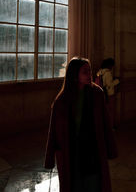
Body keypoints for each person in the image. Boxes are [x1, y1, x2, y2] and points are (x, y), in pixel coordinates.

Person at [44, 57, 117, 192]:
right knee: (75, 185)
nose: (90, 75)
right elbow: (53, 132)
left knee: (94, 184)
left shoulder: (97, 93)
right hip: (71, 152)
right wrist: (49, 158)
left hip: (92, 150)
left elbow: (106, 124)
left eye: (90, 71)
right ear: (74, 74)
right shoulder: (62, 100)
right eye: (85, 72)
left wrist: (111, 148)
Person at [96, 58, 120, 129]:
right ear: (109, 65)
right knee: (110, 111)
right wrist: (117, 81)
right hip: (109, 94)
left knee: (103, 111)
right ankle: (110, 126)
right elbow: (109, 84)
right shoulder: (108, 73)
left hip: (101, 93)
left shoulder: (99, 72)